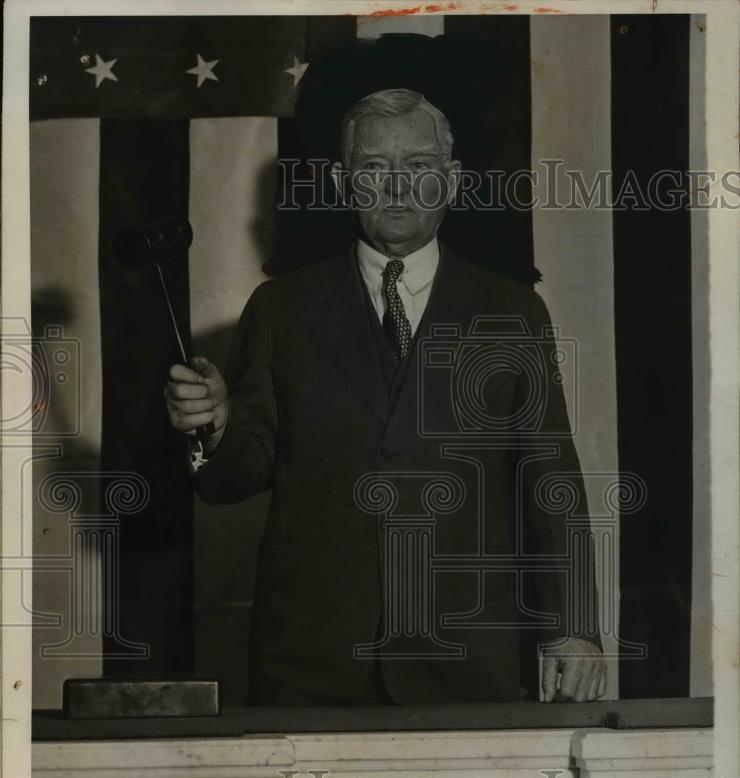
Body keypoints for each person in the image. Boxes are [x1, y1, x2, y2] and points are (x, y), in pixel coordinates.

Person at [165, 88, 606, 706]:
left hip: (471, 664)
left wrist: (575, 629)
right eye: (374, 168)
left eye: (419, 166)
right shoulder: (281, 310)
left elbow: (550, 481)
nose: (398, 187)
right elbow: (237, 474)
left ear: (450, 181)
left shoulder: (511, 311)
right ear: (345, 182)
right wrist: (213, 427)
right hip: (311, 664)